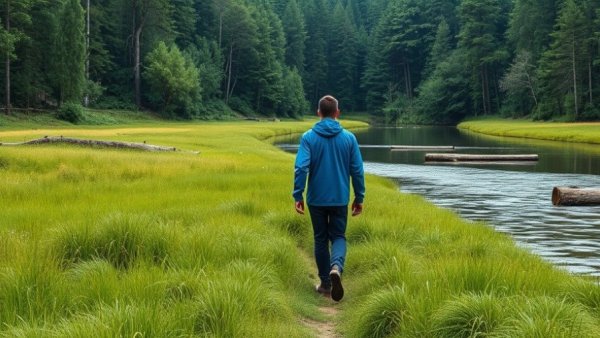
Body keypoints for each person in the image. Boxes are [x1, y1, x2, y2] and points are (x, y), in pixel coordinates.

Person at [293, 95, 365, 302]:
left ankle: (325, 283)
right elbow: (357, 171)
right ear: (337, 113)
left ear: (318, 113)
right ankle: (336, 267)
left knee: (320, 239)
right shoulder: (349, 138)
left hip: (316, 199)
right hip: (340, 199)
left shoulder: (308, 137)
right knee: (339, 236)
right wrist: (359, 197)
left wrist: (298, 194)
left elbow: (301, 168)